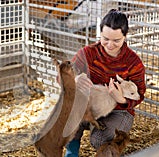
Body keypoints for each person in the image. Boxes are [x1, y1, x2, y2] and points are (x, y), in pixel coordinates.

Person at [64, 9, 146, 157]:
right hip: (91, 105)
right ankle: (71, 153)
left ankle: (110, 152)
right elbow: (64, 74)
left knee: (100, 139)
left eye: (116, 40)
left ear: (125, 37)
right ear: (100, 33)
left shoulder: (133, 62)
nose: (109, 45)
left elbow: (139, 95)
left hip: (119, 110)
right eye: (105, 38)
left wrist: (120, 99)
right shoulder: (88, 53)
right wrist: (74, 80)